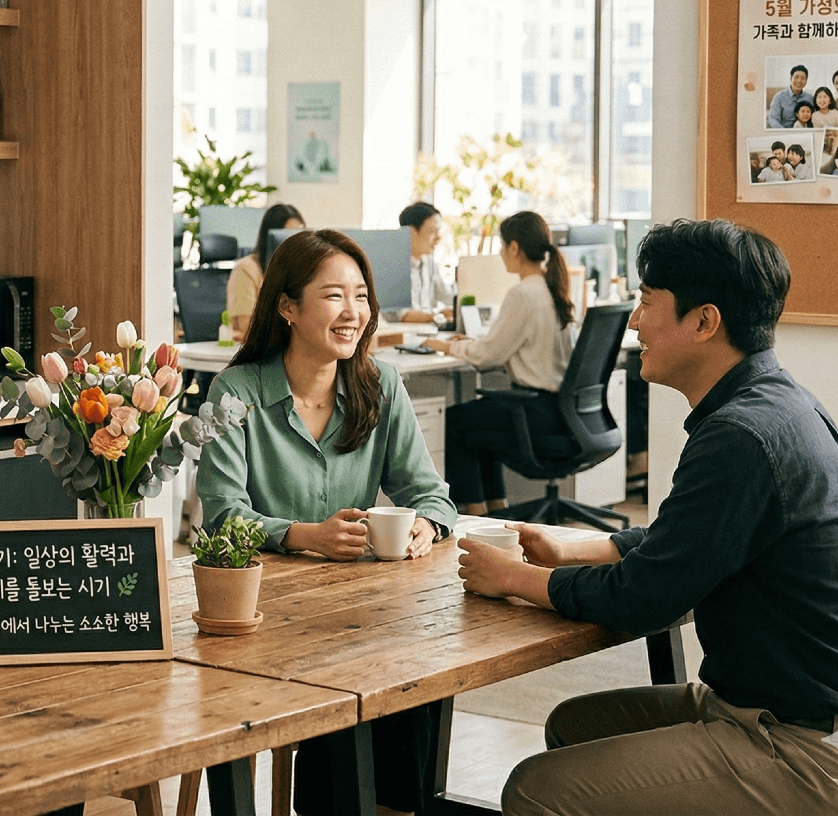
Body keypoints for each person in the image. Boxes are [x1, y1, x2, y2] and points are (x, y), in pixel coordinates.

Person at [459, 218, 838, 815]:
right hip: (824, 718)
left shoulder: (741, 436)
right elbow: (696, 540)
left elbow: (644, 598)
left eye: (647, 303)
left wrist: (513, 578)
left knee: (535, 790)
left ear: (704, 322)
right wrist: (576, 547)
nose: (634, 321)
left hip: (818, 748)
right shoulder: (774, 403)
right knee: (579, 723)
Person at [197, 228, 456, 816]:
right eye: (334, 295)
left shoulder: (381, 384)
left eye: (361, 295)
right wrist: (300, 535)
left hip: (360, 612)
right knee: (349, 698)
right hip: (266, 617)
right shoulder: (236, 390)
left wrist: (426, 527)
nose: (353, 312)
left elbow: (432, 495)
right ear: (287, 307)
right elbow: (220, 518)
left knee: (409, 682)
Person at [422, 212, 575, 514]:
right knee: (482, 420)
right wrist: (469, 345)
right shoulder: (552, 288)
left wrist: (446, 345)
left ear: (514, 248)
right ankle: (495, 506)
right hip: (560, 413)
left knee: (456, 422)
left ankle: (476, 513)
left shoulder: (523, 294)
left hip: (536, 413)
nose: (501, 252)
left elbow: (488, 356)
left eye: (502, 245)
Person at [226, 202, 306, 339]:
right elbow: (247, 327)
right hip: (258, 352)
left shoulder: (299, 271)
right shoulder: (246, 269)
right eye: (288, 236)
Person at [391, 201, 454, 324]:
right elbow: (404, 315)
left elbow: (447, 296)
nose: (438, 237)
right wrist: (439, 314)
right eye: (432, 231)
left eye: (438, 231)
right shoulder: (393, 266)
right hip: (402, 334)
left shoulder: (428, 261)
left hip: (426, 329)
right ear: (411, 232)